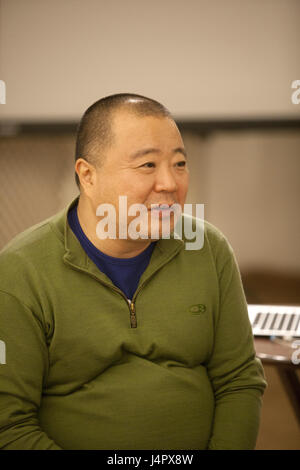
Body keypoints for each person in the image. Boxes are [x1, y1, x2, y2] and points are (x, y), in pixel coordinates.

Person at [0, 93, 267, 450]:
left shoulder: (208, 249)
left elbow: (239, 380)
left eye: (180, 163)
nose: (170, 183)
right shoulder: (21, 271)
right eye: (147, 166)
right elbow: (10, 424)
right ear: (88, 176)